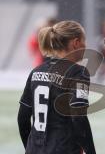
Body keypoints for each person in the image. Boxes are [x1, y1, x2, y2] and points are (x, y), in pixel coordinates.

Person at [18, 20, 96, 154]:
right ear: (76, 43)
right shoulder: (77, 72)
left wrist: (30, 149)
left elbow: (22, 118)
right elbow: (78, 116)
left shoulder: (36, 71)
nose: (86, 46)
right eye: (84, 41)